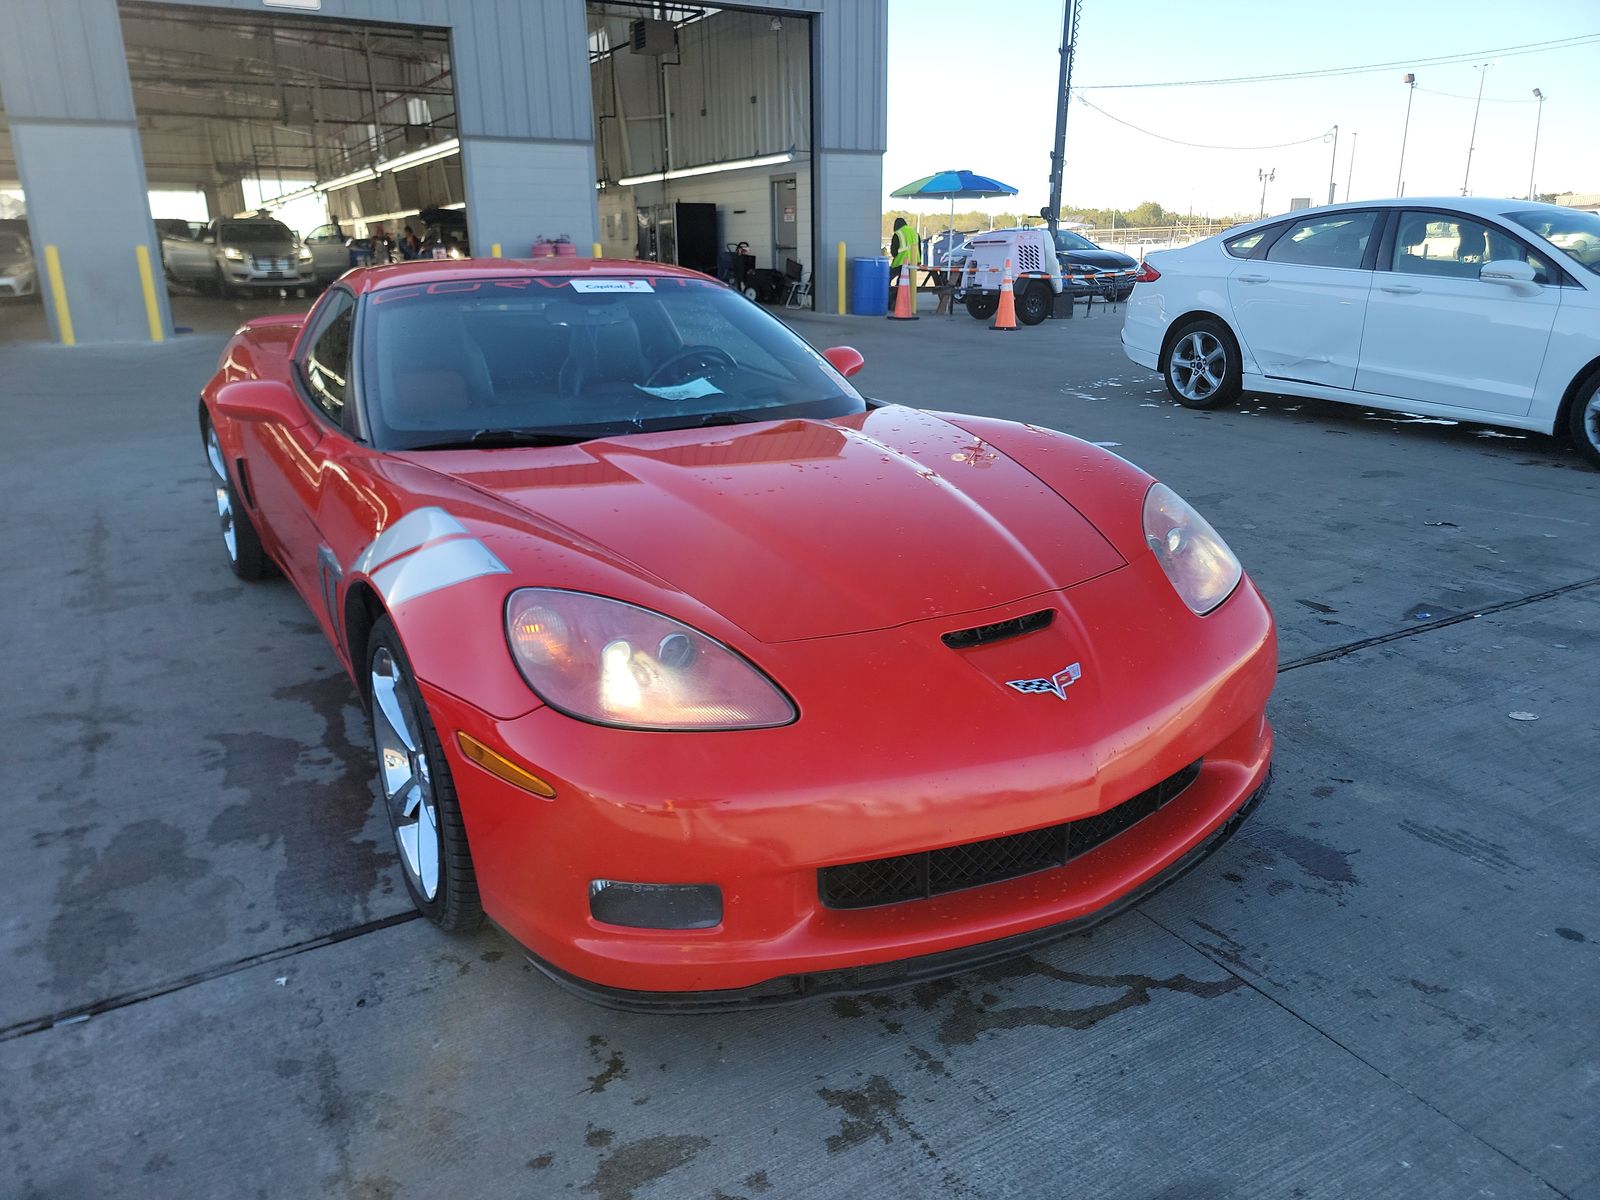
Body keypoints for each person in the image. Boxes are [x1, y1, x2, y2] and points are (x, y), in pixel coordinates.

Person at [888, 216, 920, 314]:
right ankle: (904, 304)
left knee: (886, 278)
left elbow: (894, 251)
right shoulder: (915, 232)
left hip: (901, 262)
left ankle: (891, 302)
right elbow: (919, 248)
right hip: (914, 263)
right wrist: (919, 261)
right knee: (905, 284)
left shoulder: (898, 234)